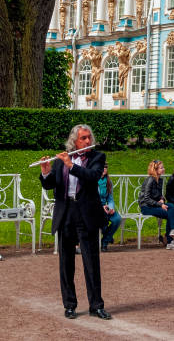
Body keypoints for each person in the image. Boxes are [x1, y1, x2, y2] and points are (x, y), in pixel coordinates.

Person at [39, 124, 111, 320]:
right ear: (75, 141)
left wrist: (72, 165)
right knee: (66, 263)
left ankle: (96, 305)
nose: (88, 141)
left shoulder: (97, 157)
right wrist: (46, 172)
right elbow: (50, 184)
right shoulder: (62, 159)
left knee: (91, 262)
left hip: (86, 213)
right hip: (66, 213)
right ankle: (69, 304)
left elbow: (92, 176)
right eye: (83, 138)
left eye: (89, 137)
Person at [138, 160, 174, 250]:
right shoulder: (150, 180)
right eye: (161, 168)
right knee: (170, 213)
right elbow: (146, 199)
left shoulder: (159, 180)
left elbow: (160, 195)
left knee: (171, 206)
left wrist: (162, 199)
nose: (164, 169)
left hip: (154, 205)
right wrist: (160, 205)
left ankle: (171, 238)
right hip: (146, 207)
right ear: (155, 170)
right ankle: (170, 239)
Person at [98, 162, 122, 252]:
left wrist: (111, 207)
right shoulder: (93, 180)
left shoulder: (108, 181)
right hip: (96, 208)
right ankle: (106, 240)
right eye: (102, 167)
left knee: (117, 219)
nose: (104, 168)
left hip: (106, 208)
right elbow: (90, 198)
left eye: (106, 167)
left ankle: (105, 239)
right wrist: (101, 207)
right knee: (103, 221)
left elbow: (110, 198)